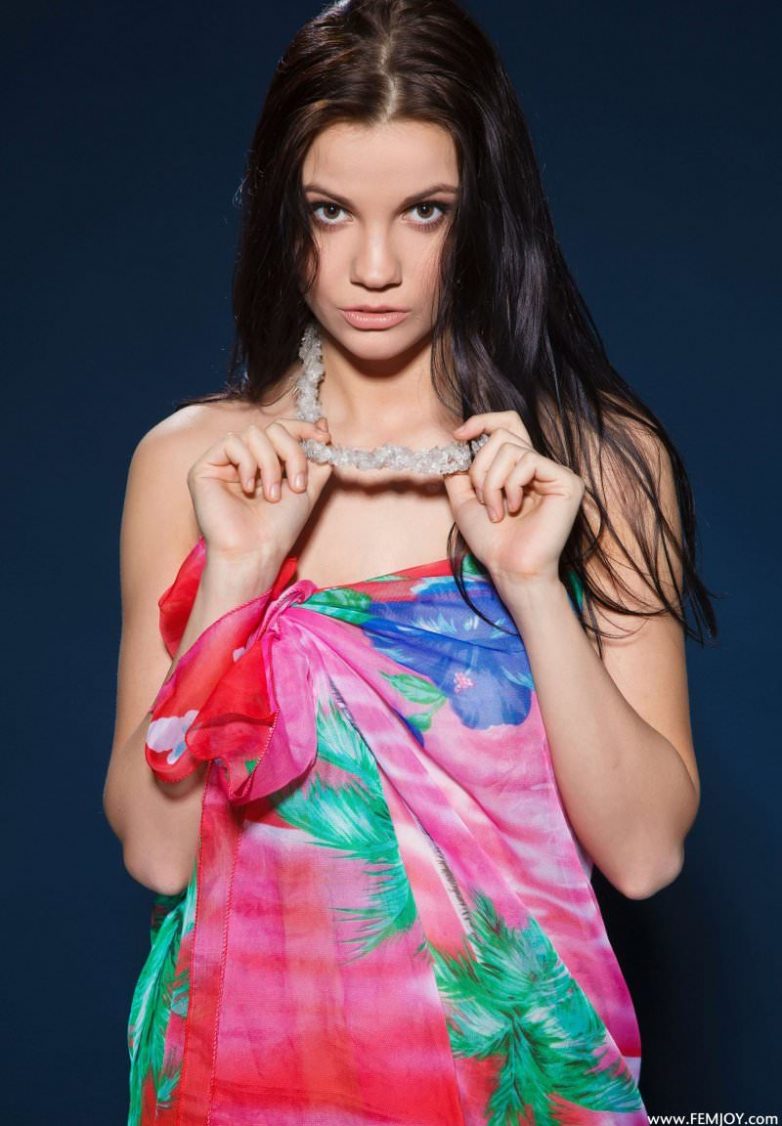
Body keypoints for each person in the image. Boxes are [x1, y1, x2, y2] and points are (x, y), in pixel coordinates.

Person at [103, 0, 716, 1122]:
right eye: (330, 211)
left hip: (513, 1081)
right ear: (279, 214)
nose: (373, 266)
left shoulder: (595, 464)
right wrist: (235, 580)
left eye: (424, 212)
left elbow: (642, 856)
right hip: (241, 1087)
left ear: (482, 216)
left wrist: (531, 587)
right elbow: (157, 853)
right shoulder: (192, 465)